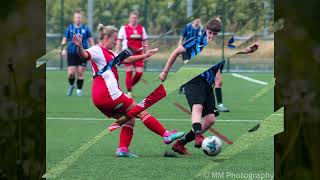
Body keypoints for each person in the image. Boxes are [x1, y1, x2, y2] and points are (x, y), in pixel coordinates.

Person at [72, 24, 185, 157]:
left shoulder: (110, 53)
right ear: (106, 37)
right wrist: (79, 46)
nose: (116, 42)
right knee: (141, 111)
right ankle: (166, 135)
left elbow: (126, 59)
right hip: (110, 95)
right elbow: (85, 55)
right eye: (114, 39)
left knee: (129, 119)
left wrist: (144, 55)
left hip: (99, 99)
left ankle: (122, 149)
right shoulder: (97, 50)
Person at [158, 17, 259, 155]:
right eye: (210, 33)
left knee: (210, 119)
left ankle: (180, 144)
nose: (211, 36)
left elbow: (237, 50)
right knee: (197, 107)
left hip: (207, 84)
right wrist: (165, 71)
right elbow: (176, 52)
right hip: (192, 79)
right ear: (206, 31)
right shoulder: (195, 41)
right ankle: (198, 136)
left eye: (215, 34)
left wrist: (249, 50)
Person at [178, 18, 230, 112]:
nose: (212, 34)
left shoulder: (219, 38)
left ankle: (214, 104)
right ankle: (218, 104)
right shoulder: (200, 35)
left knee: (216, 82)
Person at [61, 9, 94, 96]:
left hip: (82, 53)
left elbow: (91, 40)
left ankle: (79, 91)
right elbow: (64, 39)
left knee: (80, 72)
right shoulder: (70, 28)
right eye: (76, 17)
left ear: (81, 19)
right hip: (71, 53)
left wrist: (93, 50)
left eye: (79, 17)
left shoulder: (86, 28)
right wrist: (63, 49)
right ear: (74, 18)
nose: (78, 19)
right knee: (71, 74)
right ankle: (71, 85)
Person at [116, 10, 148, 97]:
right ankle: (129, 92)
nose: (134, 19)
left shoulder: (142, 29)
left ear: (137, 19)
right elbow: (119, 41)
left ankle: (129, 86)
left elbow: (145, 41)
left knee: (139, 73)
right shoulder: (124, 28)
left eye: (135, 18)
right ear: (129, 18)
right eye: (132, 18)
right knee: (129, 72)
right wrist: (117, 53)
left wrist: (146, 53)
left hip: (139, 54)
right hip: (127, 53)